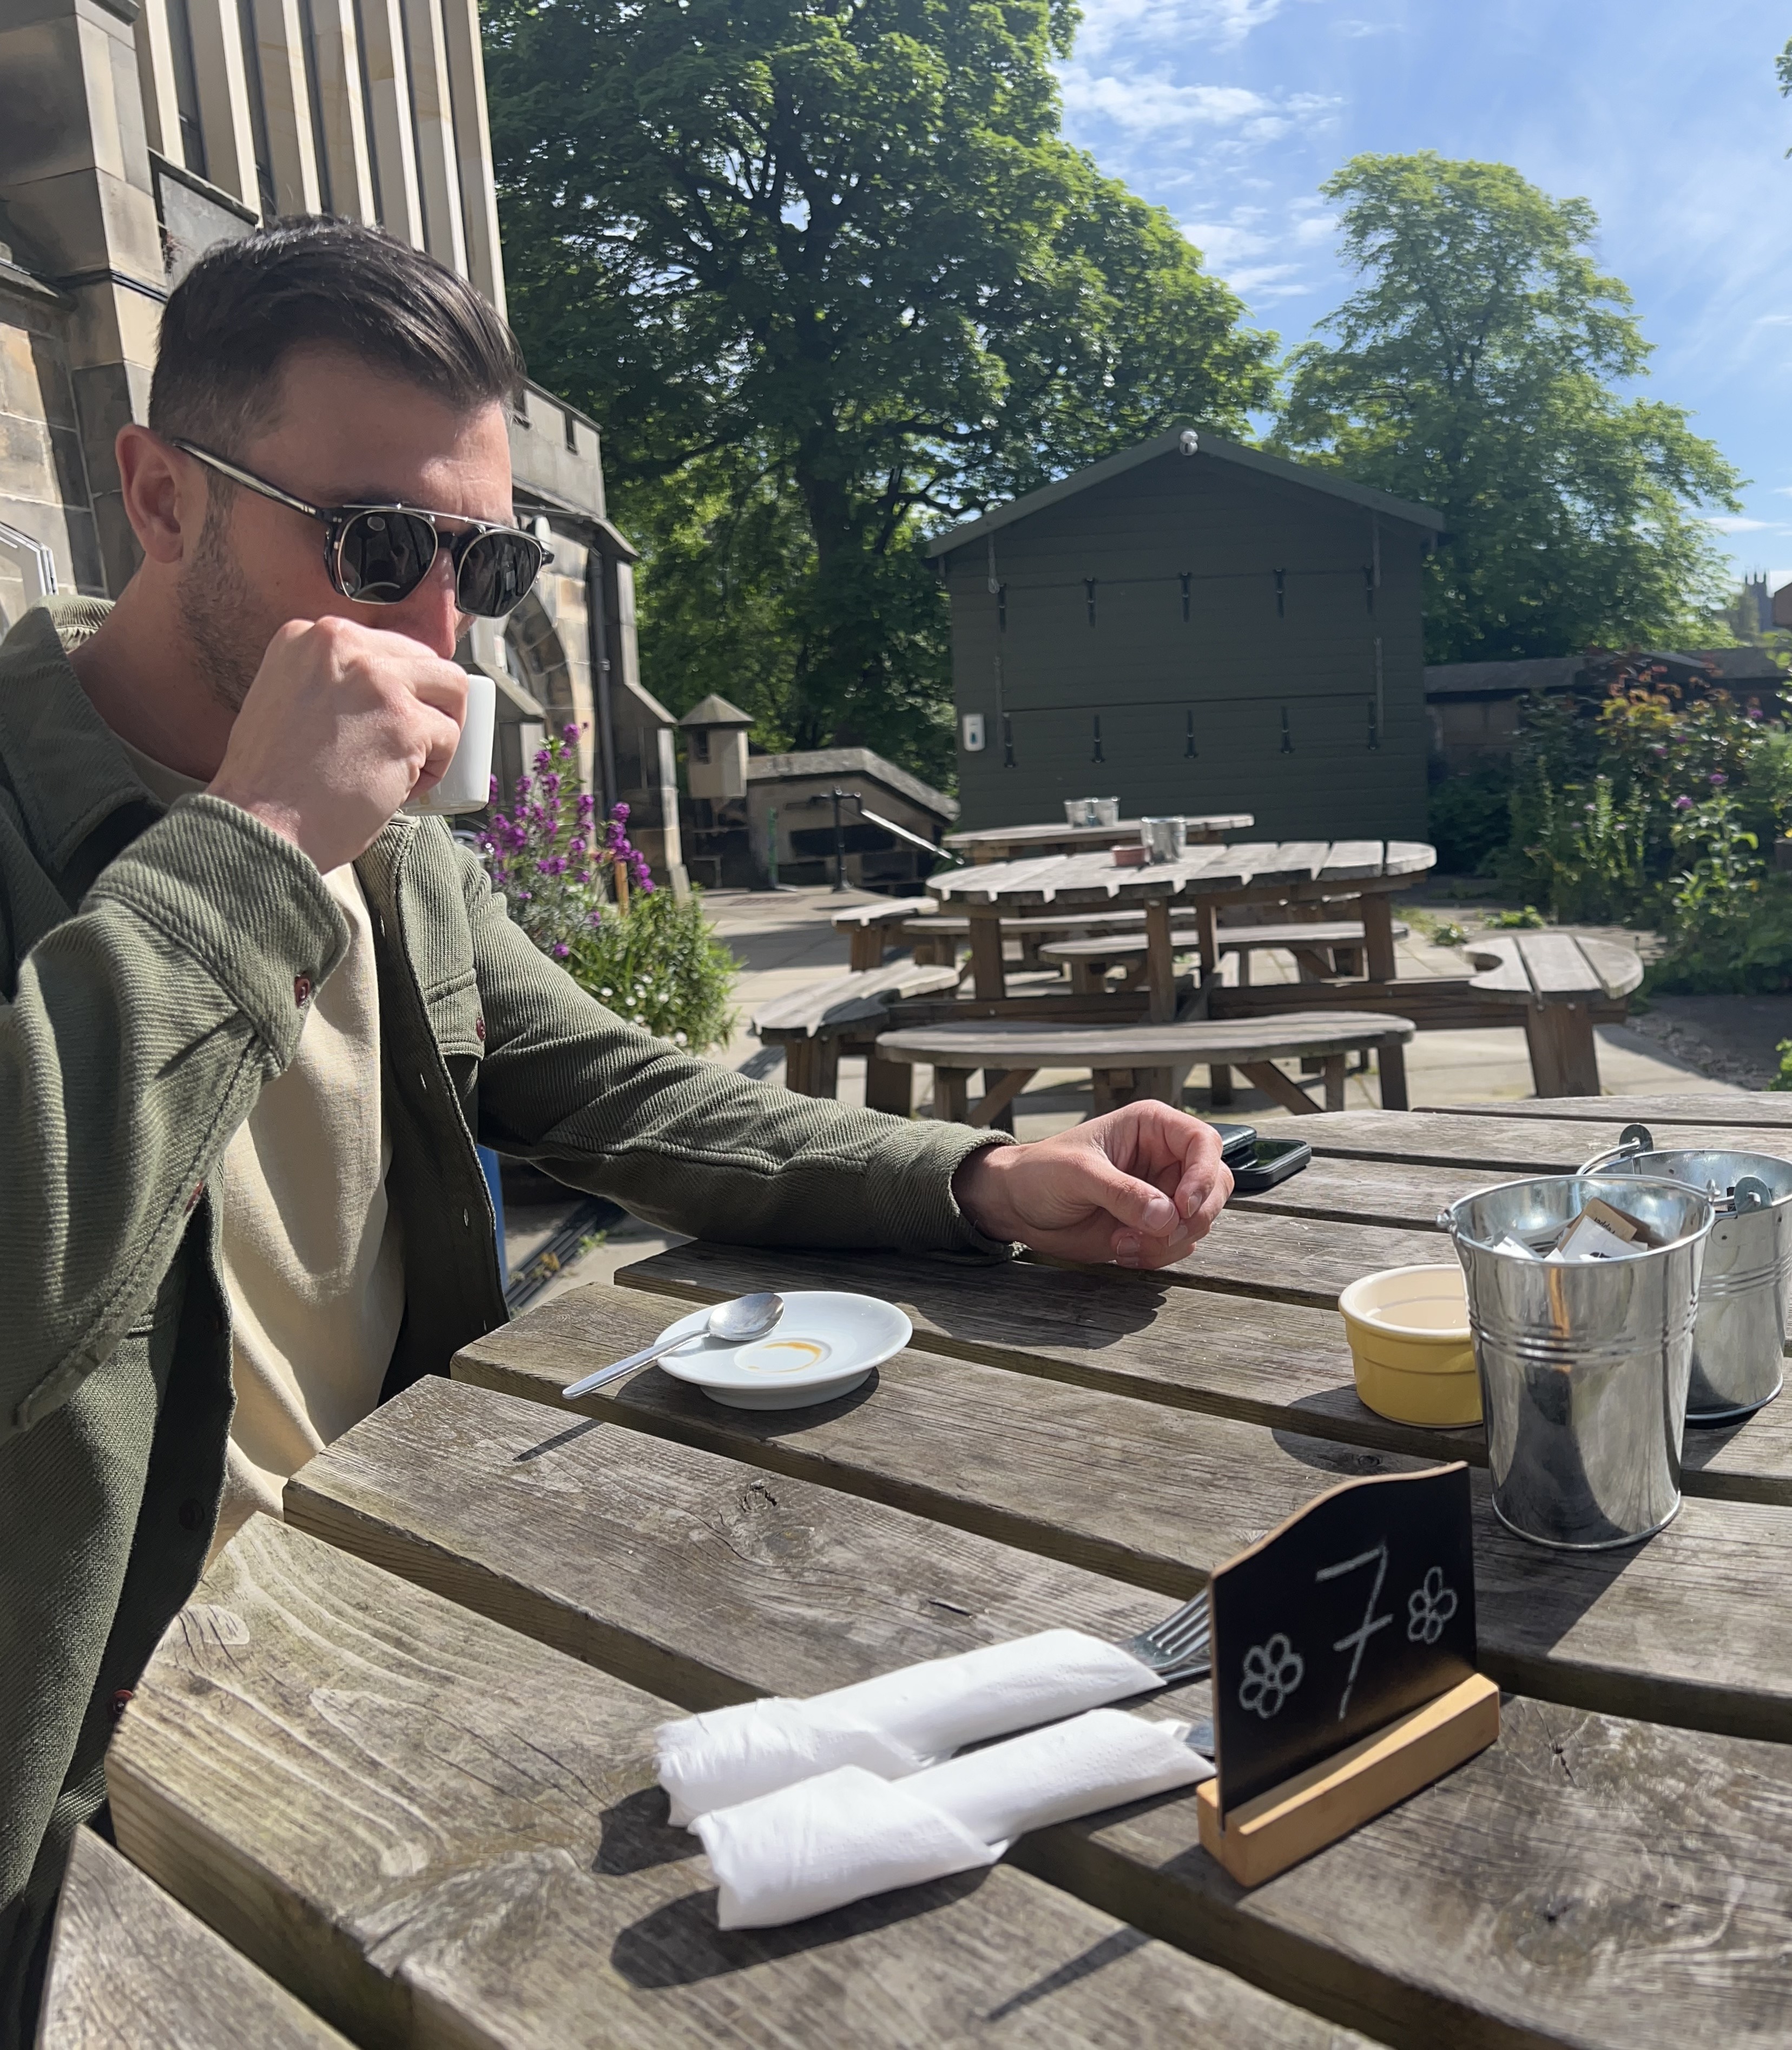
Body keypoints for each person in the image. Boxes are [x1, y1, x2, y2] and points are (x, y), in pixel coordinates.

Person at [0, 218, 1233, 2034]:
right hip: (92, 1790)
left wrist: (977, 1174)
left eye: (484, 563)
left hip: (395, 1615)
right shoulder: (185, 820)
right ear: (161, 495)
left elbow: (619, 1089)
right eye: (376, 545)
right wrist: (254, 846)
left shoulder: (400, 859)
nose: (439, 628)